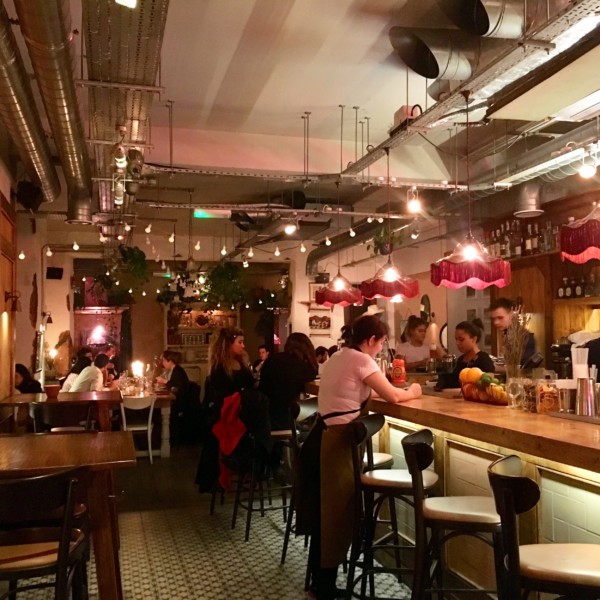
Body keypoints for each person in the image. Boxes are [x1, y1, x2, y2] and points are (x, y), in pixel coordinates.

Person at [312, 314, 422, 598]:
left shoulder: (338, 356)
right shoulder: (362, 360)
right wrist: (414, 391)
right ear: (371, 339)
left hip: (327, 436)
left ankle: (321, 582)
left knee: (332, 511)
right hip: (340, 441)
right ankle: (324, 587)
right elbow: (393, 397)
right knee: (338, 513)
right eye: (381, 342)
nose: (381, 348)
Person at [259, 333, 318, 430]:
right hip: (286, 414)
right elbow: (310, 377)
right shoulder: (305, 366)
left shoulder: (272, 359)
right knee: (315, 405)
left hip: (266, 413)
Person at [490, 297, 537, 367]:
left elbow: (524, 368)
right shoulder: (508, 333)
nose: (496, 322)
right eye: (494, 319)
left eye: (500, 318)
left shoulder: (524, 337)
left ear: (511, 315)